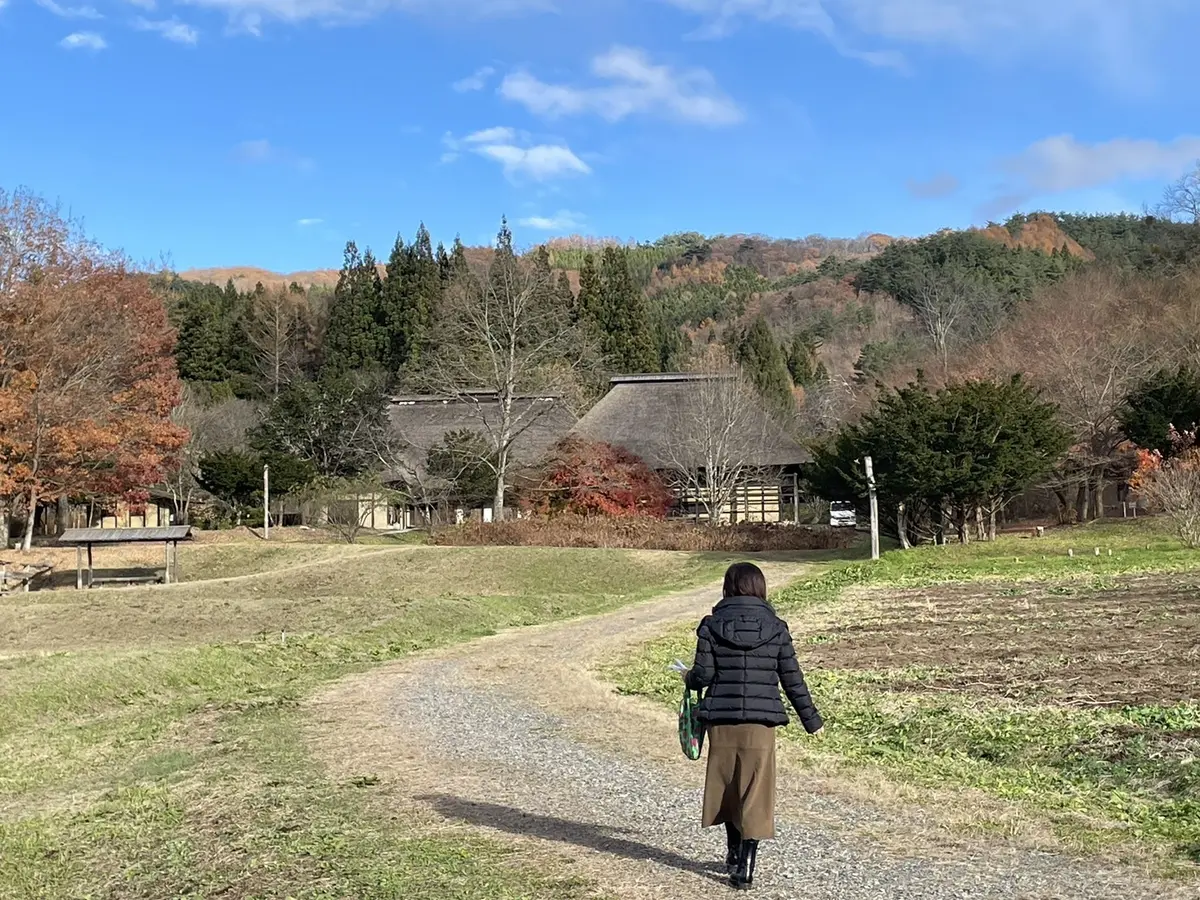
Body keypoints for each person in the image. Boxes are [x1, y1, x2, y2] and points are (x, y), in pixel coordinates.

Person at [684, 562, 823, 891]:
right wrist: (812, 721)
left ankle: (733, 853)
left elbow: (702, 675)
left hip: (721, 721)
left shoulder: (711, 625)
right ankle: (746, 867)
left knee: (728, 788)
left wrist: (687, 678)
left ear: (728, 588)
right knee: (755, 792)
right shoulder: (776, 628)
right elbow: (792, 678)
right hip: (762, 724)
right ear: (760, 588)